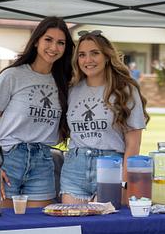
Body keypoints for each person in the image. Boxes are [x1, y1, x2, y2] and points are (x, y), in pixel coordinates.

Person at [0, 17, 74, 208]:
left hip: (43, 161)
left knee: (39, 222)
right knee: (5, 221)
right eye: (48, 40)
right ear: (36, 41)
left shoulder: (65, 81)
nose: (54, 47)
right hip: (8, 158)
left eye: (61, 42)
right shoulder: (13, 75)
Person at [60, 30, 149, 203]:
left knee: (106, 220)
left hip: (111, 170)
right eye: (82, 55)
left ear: (107, 56)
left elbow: (133, 144)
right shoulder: (71, 90)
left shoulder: (125, 91)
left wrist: (123, 183)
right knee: (74, 219)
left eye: (95, 53)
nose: (88, 60)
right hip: (75, 171)